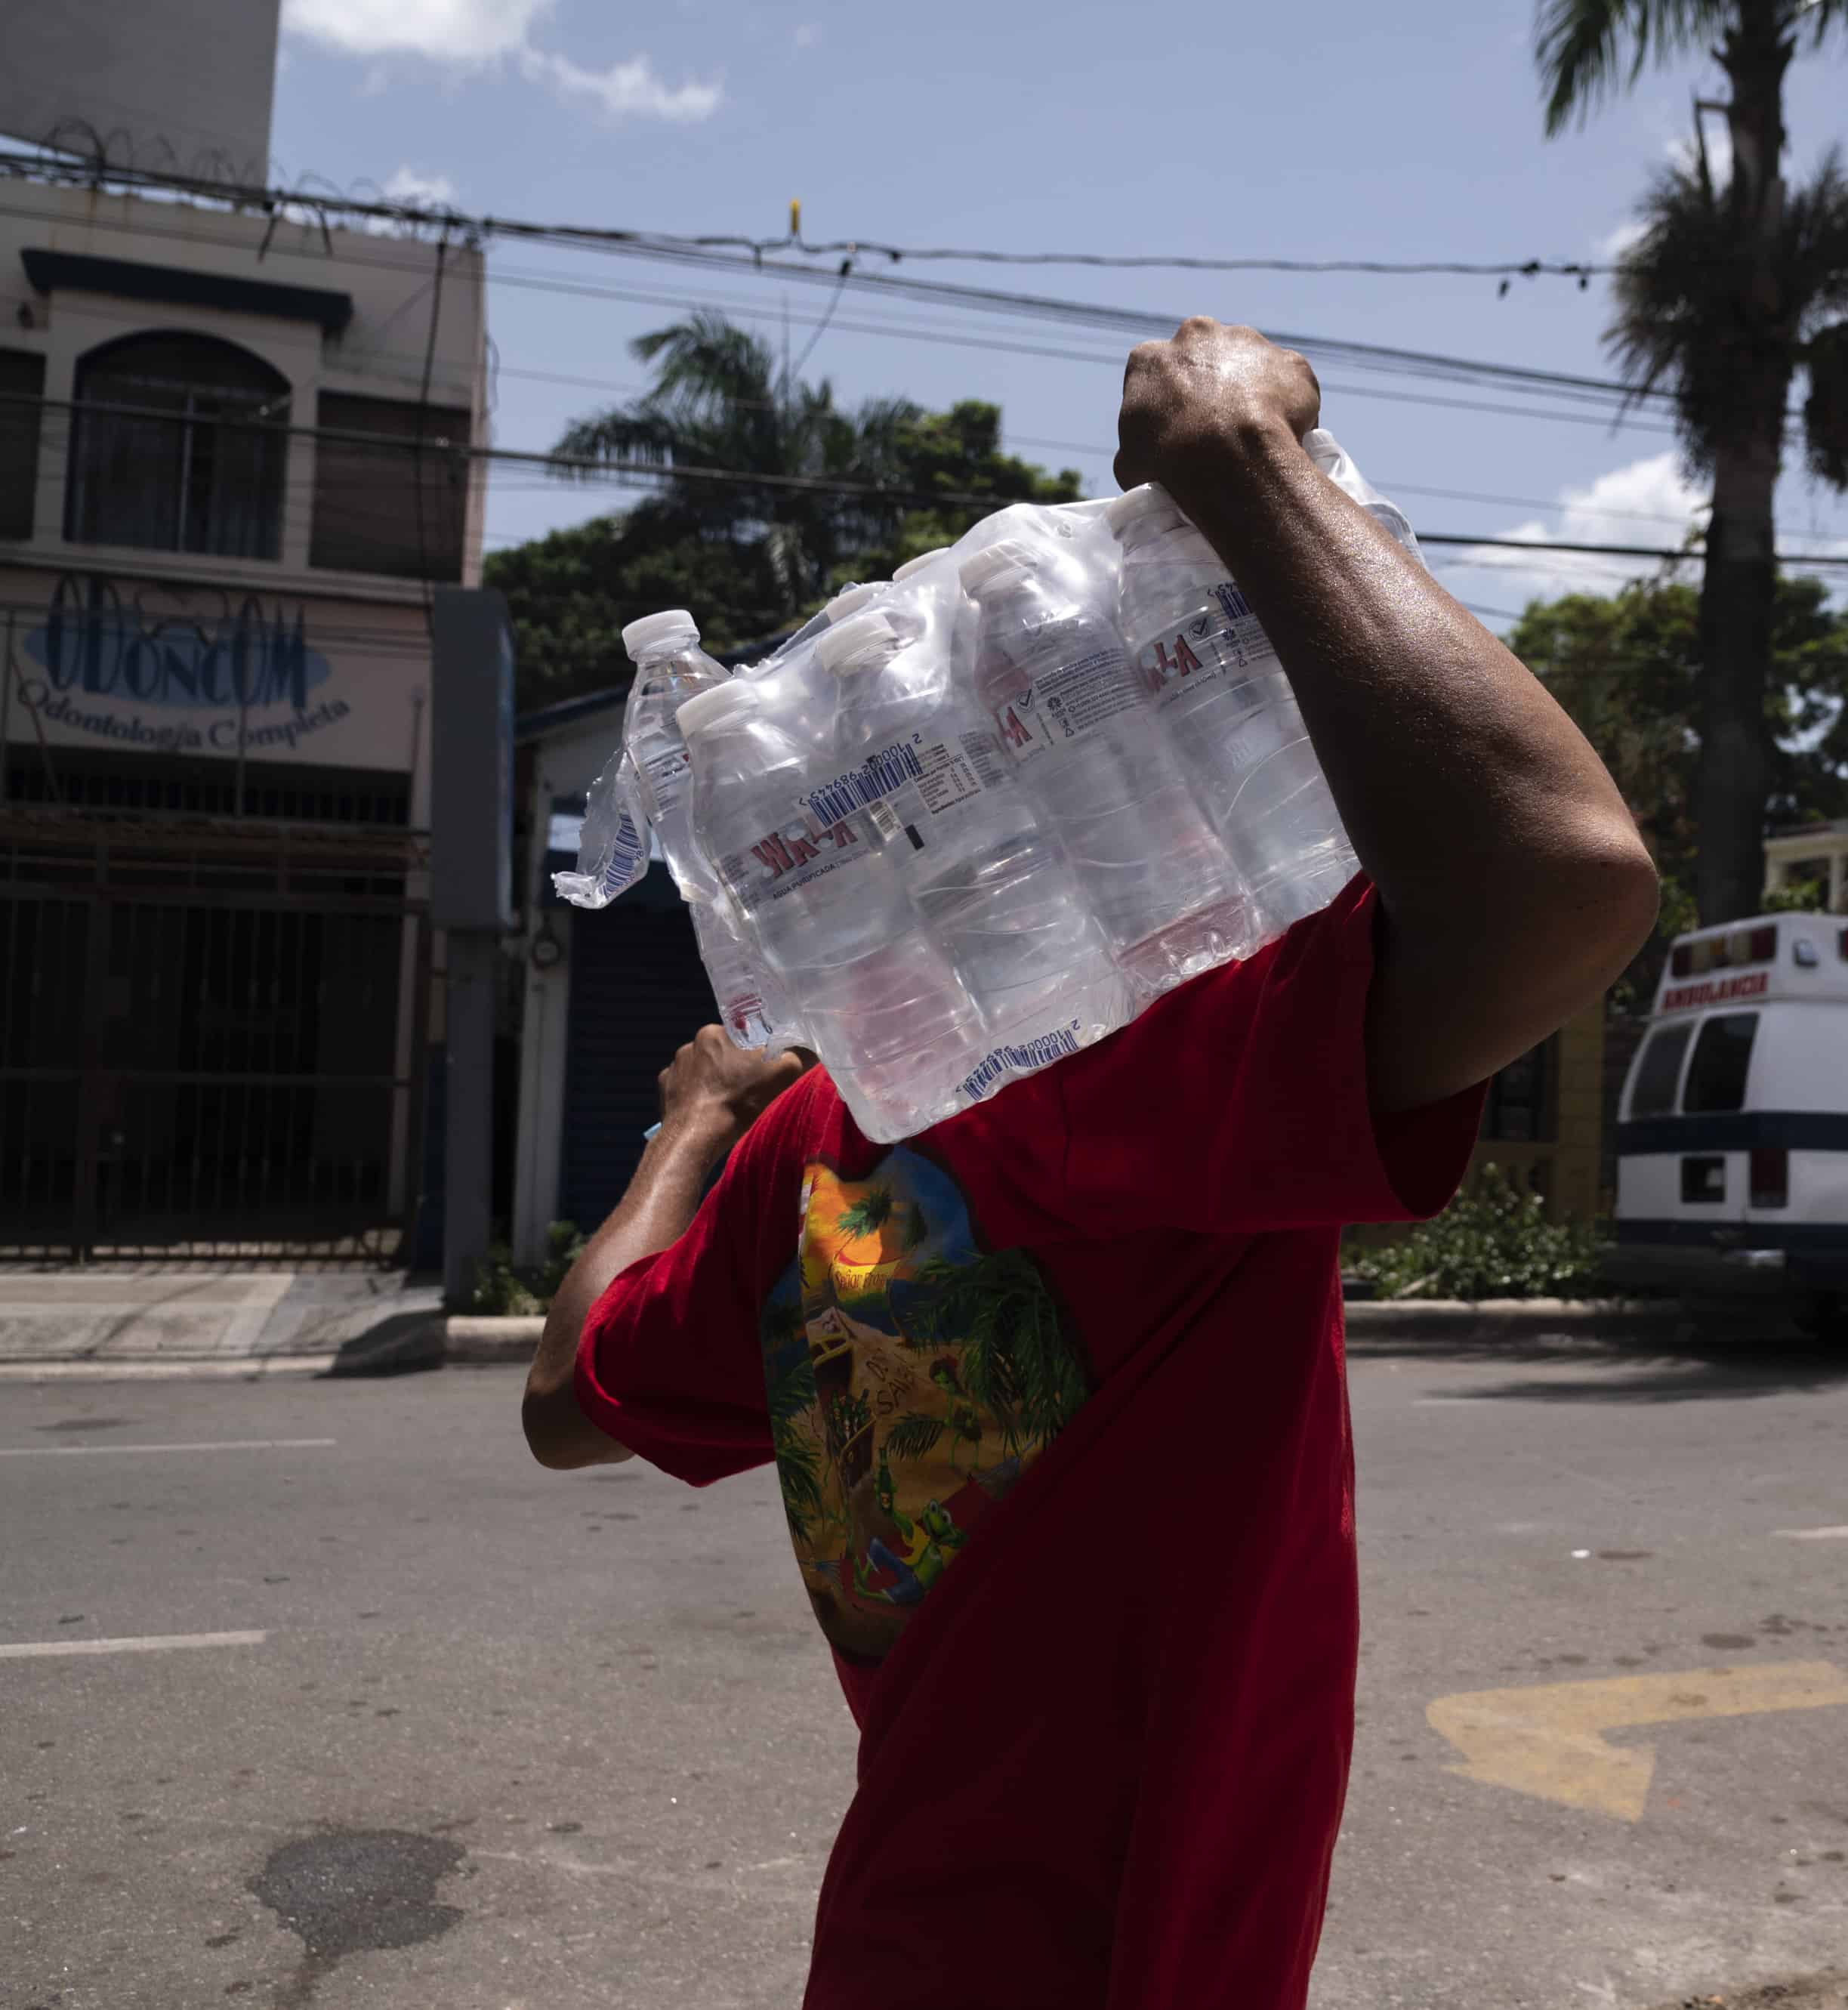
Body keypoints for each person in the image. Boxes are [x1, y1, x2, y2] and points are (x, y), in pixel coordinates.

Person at [518, 319, 1658, 2008]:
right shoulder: (1143, 1075)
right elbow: (1562, 879)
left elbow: (565, 1395)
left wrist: (695, 1118)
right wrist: (1246, 466)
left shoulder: (809, 1151)